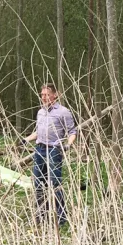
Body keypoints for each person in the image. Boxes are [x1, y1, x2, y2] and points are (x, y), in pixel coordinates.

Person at [23, 83, 77, 227]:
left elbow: (72, 132)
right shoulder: (40, 112)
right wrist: (26, 139)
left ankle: (61, 217)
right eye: (42, 95)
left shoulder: (63, 112)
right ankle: (41, 215)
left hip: (54, 150)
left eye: (47, 94)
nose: (44, 97)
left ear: (55, 95)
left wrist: (68, 145)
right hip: (39, 150)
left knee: (54, 183)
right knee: (38, 183)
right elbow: (38, 132)